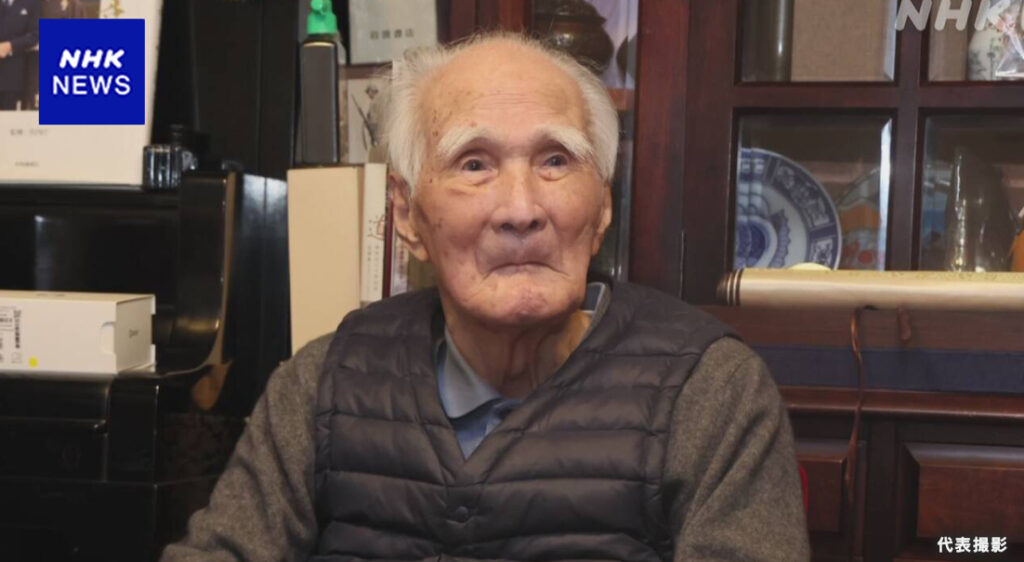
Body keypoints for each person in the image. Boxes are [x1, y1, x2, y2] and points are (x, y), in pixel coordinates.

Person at [162, 32, 810, 561]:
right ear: (407, 215)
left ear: (603, 206)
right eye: (474, 163)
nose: (521, 209)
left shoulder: (711, 391)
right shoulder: (323, 381)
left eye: (556, 161)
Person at [0, 0, 38, 110]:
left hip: (13, 77)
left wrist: (10, 46)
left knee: (9, 119)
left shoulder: (31, 3)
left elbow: (35, 36)